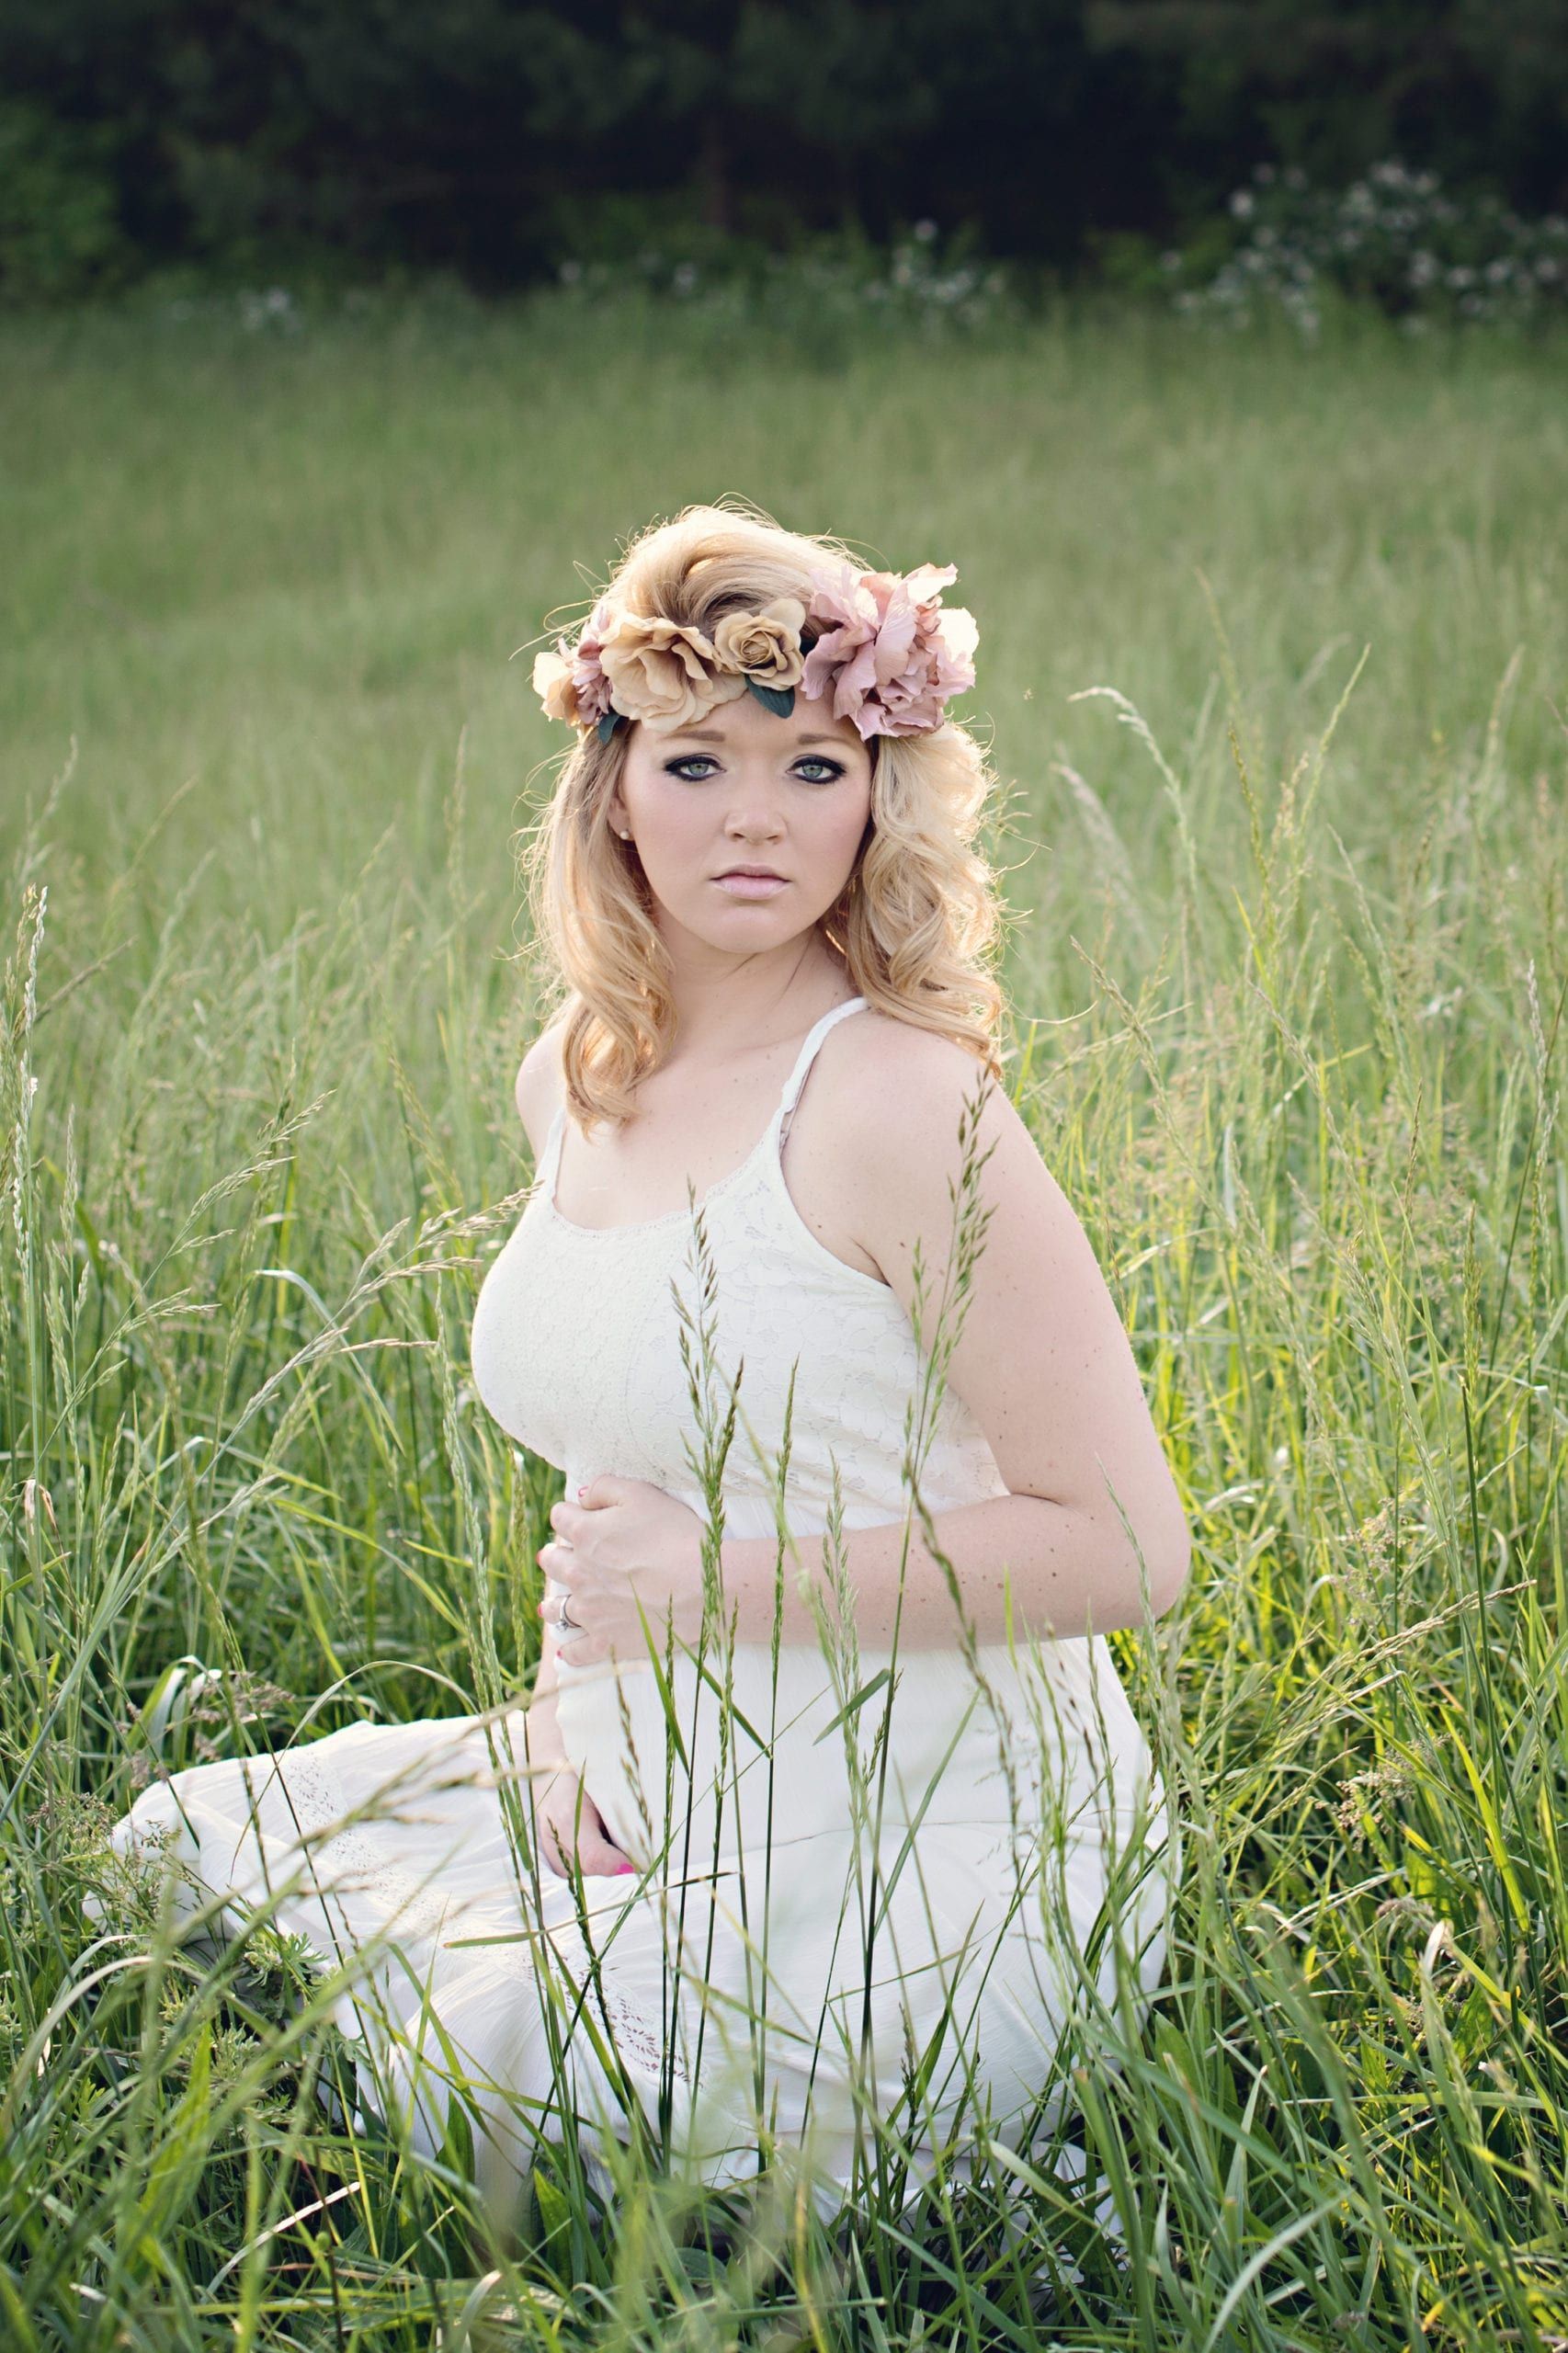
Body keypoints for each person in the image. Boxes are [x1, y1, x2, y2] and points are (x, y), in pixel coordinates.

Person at [100, 500, 1188, 2239]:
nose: (754, 818)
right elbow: (623, 1467)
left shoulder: (905, 1104)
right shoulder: (576, 1071)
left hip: (928, 1806)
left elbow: (1129, 1547)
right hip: (655, 1740)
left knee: (591, 2108)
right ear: (610, 785)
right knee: (188, 1836)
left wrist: (705, 1596)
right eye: (696, 764)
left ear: (878, 796)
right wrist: (565, 1730)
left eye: (814, 767)